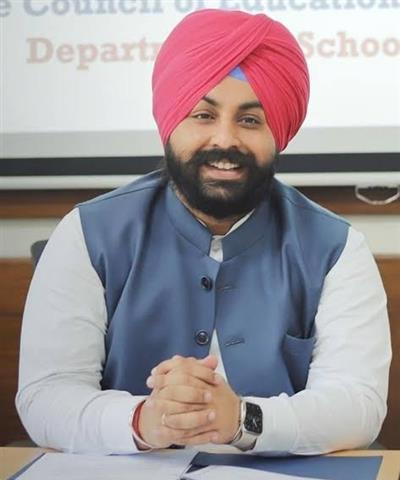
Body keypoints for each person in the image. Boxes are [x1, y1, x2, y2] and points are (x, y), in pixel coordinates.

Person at [16, 9, 391, 455]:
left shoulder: (336, 247)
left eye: (250, 120)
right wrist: (143, 420)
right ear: (171, 121)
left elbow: (358, 403)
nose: (225, 140)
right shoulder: (87, 233)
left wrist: (240, 419)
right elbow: (46, 394)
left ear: (278, 133)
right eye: (203, 115)